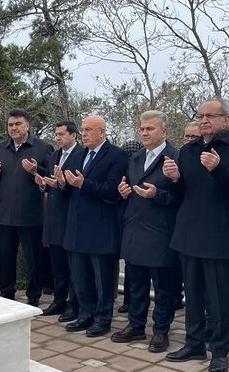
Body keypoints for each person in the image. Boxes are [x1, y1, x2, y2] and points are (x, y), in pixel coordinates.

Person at [163, 99, 229, 372]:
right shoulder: (189, 150)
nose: (204, 120)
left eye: (211, 116)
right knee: (192, 295)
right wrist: (174, 178)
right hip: (190, 232)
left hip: (222, 235)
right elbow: (182, 195)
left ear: (228, 120)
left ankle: (220, 349)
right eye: (201, 115)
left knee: (221, 299)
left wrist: (219, 169)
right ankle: (194, 343)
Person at [113, 111, 180, 353]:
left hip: (161, 230)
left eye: (149, 129)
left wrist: (157, 195)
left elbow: (182, 196)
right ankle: (136, 325)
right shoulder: (136, 157)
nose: (144, 133)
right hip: (135, 228)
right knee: (136, 283)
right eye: (142, 129)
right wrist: (123, 193)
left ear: (163, 131)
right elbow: (131, 186)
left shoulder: (175, 157)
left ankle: (161, 330)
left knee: (163, 287)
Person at [61, 115, 128, 338]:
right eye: (82, 130)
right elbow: (70, 186)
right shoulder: (79, 154)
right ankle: (85, 314)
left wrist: (83, 184)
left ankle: (103, 318)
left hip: (101, 228)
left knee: (103, 279)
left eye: (89, 130)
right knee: (80, 277)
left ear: (102, 131)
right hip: (77, 226)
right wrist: (61, 183)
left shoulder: (116, 155)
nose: (84, 134)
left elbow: (113, 191)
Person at [0, 110, 53, 305]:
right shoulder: (0, 149)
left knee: (33, 258)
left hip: (31, 214)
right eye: (11, 125)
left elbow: (51, 178)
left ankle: (34, 295)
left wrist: (36, 171)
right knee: (6, 257)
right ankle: (7, 292)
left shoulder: (42, 148)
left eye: (18, 124)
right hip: (6, 214)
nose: (14, 128)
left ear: (27, 126)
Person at [35, 121, 84, 319]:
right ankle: (59, 301)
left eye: (61, 134)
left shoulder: (81, 155)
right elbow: (51, 184)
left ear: (73, 135)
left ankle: (75, 304)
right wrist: (42, 184)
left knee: (74, 267)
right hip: (54, 217)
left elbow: (78, 185)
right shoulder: (53, 156)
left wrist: (63, 184)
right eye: (55, 134)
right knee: (58, 266)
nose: (57, 137)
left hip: (71, 216)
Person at [117, 139, 145, 314]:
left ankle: (129, 301)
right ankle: (129, 301)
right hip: (128, 218)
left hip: (132, 219)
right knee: (131, 264)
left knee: (132, 265)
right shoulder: (132, 167)